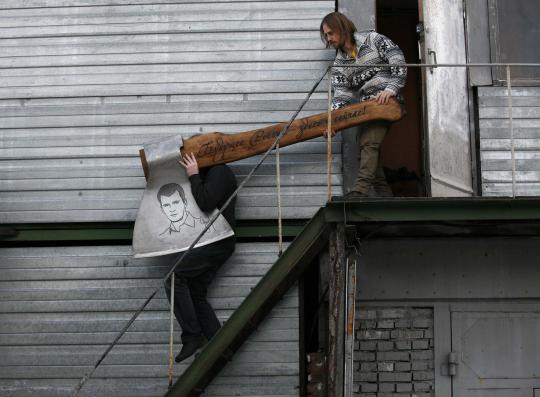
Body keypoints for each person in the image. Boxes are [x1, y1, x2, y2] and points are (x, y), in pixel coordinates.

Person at [320, 11, 407, 198]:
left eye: (330, 33)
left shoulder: (372, 39)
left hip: (386, 103)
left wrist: (391, 89)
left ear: (341, 28)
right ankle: (389, 206)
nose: (328, 39)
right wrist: (333, 122)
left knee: (369, 143)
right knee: (364, 154)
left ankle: (359, 191)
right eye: (326, 35)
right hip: (365, 110)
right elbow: (341, 95)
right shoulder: (339, 64)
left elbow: (397, 58)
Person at [164, 152, 237, 362]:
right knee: (195, 293)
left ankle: (193, 336)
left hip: (218, 241)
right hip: (214, 242)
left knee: (174, 278)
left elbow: (206, 202)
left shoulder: (219, 171)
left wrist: (194, 175)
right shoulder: (210, 174)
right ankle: (219, 346)